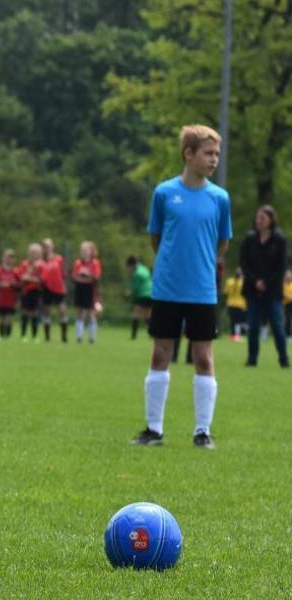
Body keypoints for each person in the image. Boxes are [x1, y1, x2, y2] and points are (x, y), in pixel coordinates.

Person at [131, 124, 232, 450]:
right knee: (161, 352)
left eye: (217, 153)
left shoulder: (220, 198)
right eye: (208, 153)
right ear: (188, 154)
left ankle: (202, 431)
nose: (214, 159)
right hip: (167, 288)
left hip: (202, 290)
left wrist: (200, 266)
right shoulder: (164, 193)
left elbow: (222, 243)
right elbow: (157, 238)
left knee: (203, 357)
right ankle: (154, 429)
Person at [240, 204, 289, 367]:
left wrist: (266, 283)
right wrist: (255, 281)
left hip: (273, 290)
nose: (259, 221)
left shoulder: (279, 240)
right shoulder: (249, 239)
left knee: (277, 325)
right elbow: (244, 263)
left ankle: (284, 359)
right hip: (252, 289)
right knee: (253, 326)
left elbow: (281, 267)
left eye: (263, 218)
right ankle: (251, 359)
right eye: (258, 217)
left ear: (271, 220)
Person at [71, 241, 102, 344]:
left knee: (91, 313)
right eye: (82, 250)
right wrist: (83, 277)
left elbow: (96, 277)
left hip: (90, 290)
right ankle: (79, 337)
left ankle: (92, 338)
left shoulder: (95, 263)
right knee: (79, 313)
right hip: (80, 289)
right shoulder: (78, 263)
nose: (84, 252)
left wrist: (87, 275)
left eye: (86, 250)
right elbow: (74, 277)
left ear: (91, 251)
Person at [39, 237, 68, 342]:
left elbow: (63, 273)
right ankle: (47, 337)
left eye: (49, 246)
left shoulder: (59, 258)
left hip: (59, 288)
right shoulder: (40, 261)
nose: (47, 248)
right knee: (47, 311)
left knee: (62, 310)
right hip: (46, 288)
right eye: (45, 246)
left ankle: (64, 336)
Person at [0, 249, 20, 341]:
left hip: (11, 298)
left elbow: (19, 284)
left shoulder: (15, 271)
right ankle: (1, 335)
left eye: (11, 258)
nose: (9, 260)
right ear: (3, 258)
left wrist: (12, 284)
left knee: (8, 317)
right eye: (7, 257)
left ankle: (8, 335)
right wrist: (0, 284)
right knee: (1, 317)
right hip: (0, 298)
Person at [18, 242, 44, 342]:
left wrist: (30, 278)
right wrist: (31, 270)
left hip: (37, 292)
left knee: (34, 313)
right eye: (32, 253)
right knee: (24, 312)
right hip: (26, 291)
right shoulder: (24, 264)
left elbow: (42, 280)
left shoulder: (42, 265)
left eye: (36, 253)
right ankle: (23, 335)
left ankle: (35, 335)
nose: (34, 255)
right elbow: (22, 278)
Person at [126, 255, 152, 339]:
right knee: (147, 315)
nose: (128, 269)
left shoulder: (136, 273)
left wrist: (130, 294)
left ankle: (133, 336)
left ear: (131, 265)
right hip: (152, 293)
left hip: (143, 294)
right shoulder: (144, 269)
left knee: (135, 314)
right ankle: (152, 333)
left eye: (128, 267)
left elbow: (136, 287)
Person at [222, 267, 247, 340]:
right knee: (238, 321)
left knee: (233, 320)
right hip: (240, 304)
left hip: (230, 303)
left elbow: (226, 292)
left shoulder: (229, 281)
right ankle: (237, 335)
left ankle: (233, 335)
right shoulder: (242, 282)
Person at [283, 270, 292, 337]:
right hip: (285, 304)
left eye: (289, 277)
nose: (288, 278)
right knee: (286, 319)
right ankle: (287, 334)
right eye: (286, 277)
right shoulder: (283, 285)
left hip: (290, 303)